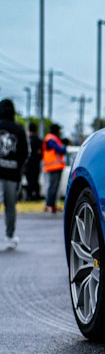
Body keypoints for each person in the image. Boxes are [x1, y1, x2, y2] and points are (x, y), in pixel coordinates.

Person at [0, 99, 28, 251]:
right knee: (10, 207)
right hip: (12, 174)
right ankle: (10, 237)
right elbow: (24, 152)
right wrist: (18, 166)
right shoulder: (18, 129)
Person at [42, 123, 67, 213]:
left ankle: (52, 205)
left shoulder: (52, 139)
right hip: (53, 167)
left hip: (55, 166)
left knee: (54, 187)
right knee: (52, 187)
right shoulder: (51, 139)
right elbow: (60, 150)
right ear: (56, 130)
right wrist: (64, 145)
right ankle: (49, 205)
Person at [23, 120, 42, 200]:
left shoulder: (26, 140)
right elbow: (40, 153)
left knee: (29, 181)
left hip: (27, 164)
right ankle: (36, 195)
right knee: (35, 180)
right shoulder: (38, 140)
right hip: (36, 164)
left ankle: (29, 196)